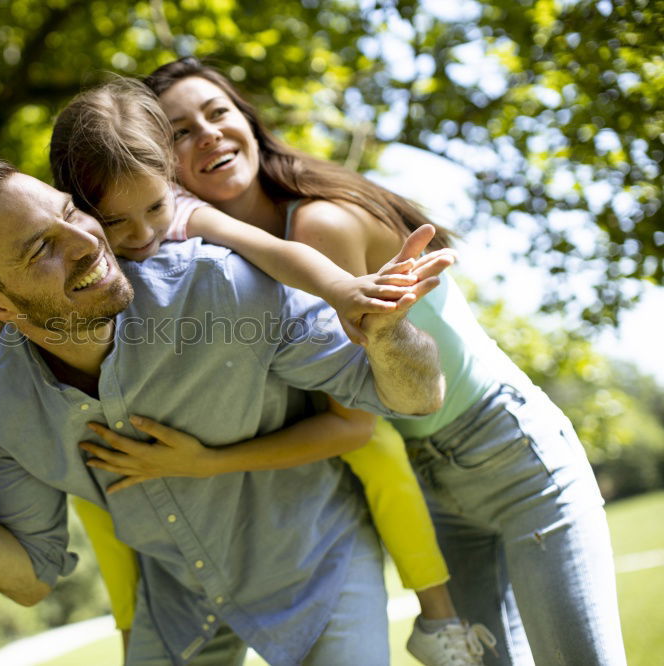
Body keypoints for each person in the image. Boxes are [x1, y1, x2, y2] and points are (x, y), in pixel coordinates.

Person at [0, 79, 484, 664]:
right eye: (44, 245)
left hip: (313, 563)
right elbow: (32, 576)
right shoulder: (3, 401)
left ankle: (440, 613)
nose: (98, 242)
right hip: (180, 599)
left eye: (70, 217)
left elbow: (413, 395)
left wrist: (370, 316)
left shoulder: (215, 279)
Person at [130, 56, 628, 666]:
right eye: (181, 131)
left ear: (248, 122)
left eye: (218, 112)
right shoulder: (222, 265)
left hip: (511, 454)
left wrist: (208, 463)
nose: (208, 133)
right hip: (433, 487)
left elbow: (352, 423)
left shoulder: (314, 228)